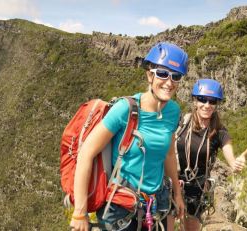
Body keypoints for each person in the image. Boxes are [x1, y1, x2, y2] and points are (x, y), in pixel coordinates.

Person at [69, 42, 188, 231]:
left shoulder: (173, 112)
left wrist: (177, 194)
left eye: (176, 76)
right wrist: (80, 212)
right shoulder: (125, 109)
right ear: (150, 75)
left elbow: (169, 155)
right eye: (162, 74)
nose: (169, 82)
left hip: (156, 203)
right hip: (120, 207)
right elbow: (86, 153)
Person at [166, 78, 247, 231]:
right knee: (167, 226)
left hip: (196, 188)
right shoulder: (182, 123)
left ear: (217, 105)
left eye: (212, 101)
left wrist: (235, 163)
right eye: (202, 100)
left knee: (191, 226)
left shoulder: (219, 132)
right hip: (173, 181)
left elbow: (228, 152)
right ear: (195, 101)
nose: (207, 105)